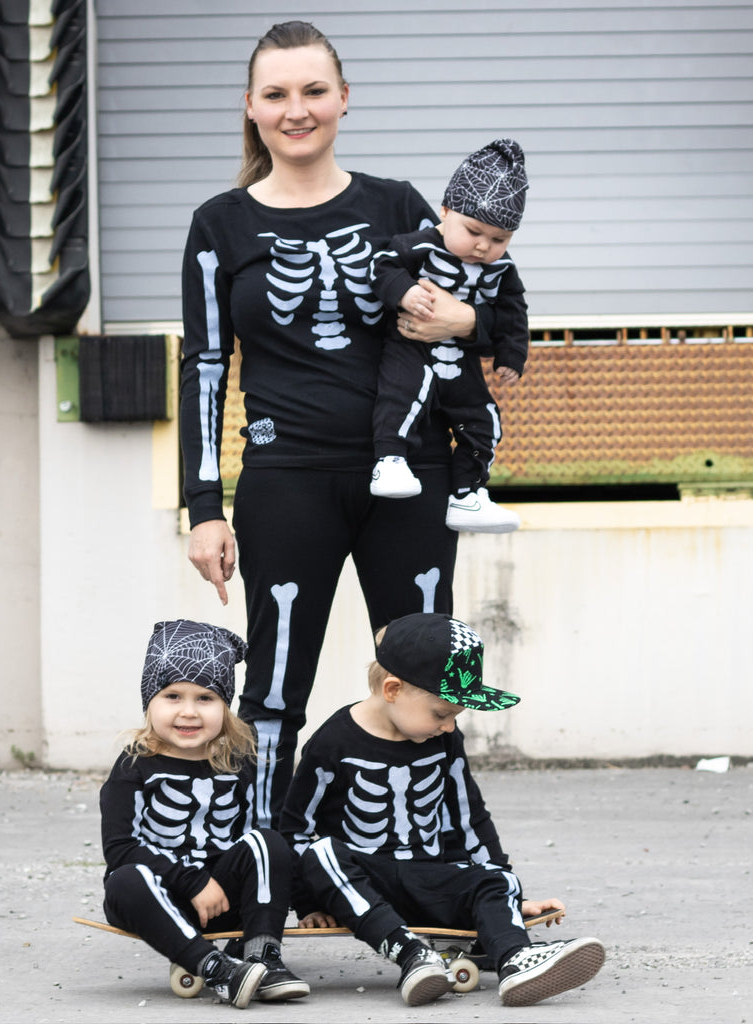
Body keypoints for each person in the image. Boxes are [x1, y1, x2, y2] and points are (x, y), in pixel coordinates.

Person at [180, 21, 504, 827]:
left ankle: (440, 857)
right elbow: (205, 366)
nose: (297, 110)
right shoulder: (219, 225)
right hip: (288, 479)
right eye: (277, 94)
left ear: (344, 99)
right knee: (274, 688)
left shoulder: (396, 205)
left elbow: (488, 312)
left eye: (314, 91)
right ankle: (259, 860)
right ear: (251, 106)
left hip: (411, 474)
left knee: (431, 682)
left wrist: (467, 322)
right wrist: (204, 507)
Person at [281, 612, 605, 1007]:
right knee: (321, 852)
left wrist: (508, 899)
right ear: (393, 689)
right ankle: (413, 955)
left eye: (455, 717)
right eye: (442, 713)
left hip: (428, 877)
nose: (449, 726)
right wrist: (309, 903)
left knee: (497, 878)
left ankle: (515, 957)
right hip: (363, 882)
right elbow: (294, 829)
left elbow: (469, 817)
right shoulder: (331, 743)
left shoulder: (444, 741)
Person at [100, 619, 309, 1008]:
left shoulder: (237, 765)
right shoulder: (134, 766)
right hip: (160, 899)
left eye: (205, 698)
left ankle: (262, 957)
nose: (189, 712)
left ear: (225, 707)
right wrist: (193, 881)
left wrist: (307, 901)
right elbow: (120, 848)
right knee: (124, 879)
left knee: (268, 841)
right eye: (172, 696)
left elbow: (256, 852)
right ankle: (217, 969)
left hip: (224, 902)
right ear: (149, 702)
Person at [368, 139, 530, 533]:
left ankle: (468, 495)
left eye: (499, 239)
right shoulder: (418, 245)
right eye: (473, 231)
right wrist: (403, 291)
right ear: (445, 211)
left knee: (484, 421)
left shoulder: (502, 270)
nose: (483, 246)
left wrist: (512, 355)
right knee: (401, 399)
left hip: (462, 360)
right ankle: (390, 463)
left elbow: (514, 311)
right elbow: (382, 266)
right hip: (411, 349)